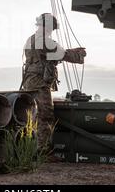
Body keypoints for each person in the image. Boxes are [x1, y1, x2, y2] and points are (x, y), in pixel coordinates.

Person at [21, 13, 86, 151]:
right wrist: (79, 55)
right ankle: (43, 150)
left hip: (29, 82)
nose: (51, 32)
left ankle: (29, 148)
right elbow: (62, 54)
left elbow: (49, 56)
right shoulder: (44, 40)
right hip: (40, 84)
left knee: (32, 116)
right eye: (51, 29)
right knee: (45, 116)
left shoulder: (31, 39)